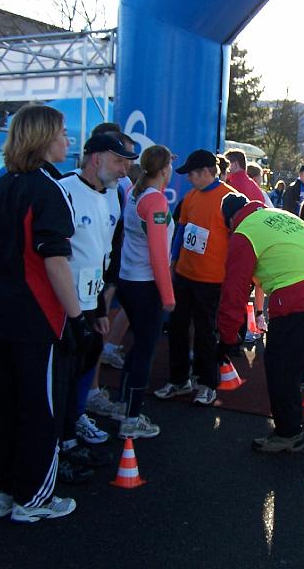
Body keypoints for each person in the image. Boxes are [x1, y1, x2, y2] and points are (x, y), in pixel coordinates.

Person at [0, 105, 82, 522]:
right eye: (61, 133)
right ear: (43, 138)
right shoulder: (48, 188)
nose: (67, 140)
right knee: (41, 408)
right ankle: (34, 498)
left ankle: (3, 489)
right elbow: (54, 260)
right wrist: (76, 317)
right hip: (37, 318)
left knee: (5, 405)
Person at [217, 193, 304, 451]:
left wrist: (227, 337)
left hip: (294, 291)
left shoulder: (243, 233)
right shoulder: (281, 214)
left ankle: (288, 432)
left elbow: (235, 290)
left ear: (231, 220)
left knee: (281, 364)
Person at [56, 133, 137, 479]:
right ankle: (58, 440)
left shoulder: (115, 196)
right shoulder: (63, 189)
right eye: (119, 162)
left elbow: (105, 253)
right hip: (60, 302)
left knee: (86, 362)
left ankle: (72, 429)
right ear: (95, 158)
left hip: (93, 299)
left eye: (127, 163)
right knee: (59, 372)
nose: (124, 171)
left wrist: (103, 305)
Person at [154, 150, 235, 406]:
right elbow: (181, 230)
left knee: (205, 333)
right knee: (177, 329)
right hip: (184, 276)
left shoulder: (230, 199)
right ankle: (179, 380)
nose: (188, 178)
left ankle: (207, 384)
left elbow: (238, 240)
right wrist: (173, 262)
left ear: (205, 172)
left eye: (191, 173)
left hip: (211, 279)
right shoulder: (190, 197)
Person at [114, 145, 176, 438]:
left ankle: (124, 406)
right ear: (164, 169)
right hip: (145, 285)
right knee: (145, 351)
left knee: (138, 346)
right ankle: (131, 418)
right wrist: (168, 296)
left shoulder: (135, 193)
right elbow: (157, 255)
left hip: (129, 280)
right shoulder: (155, 202)